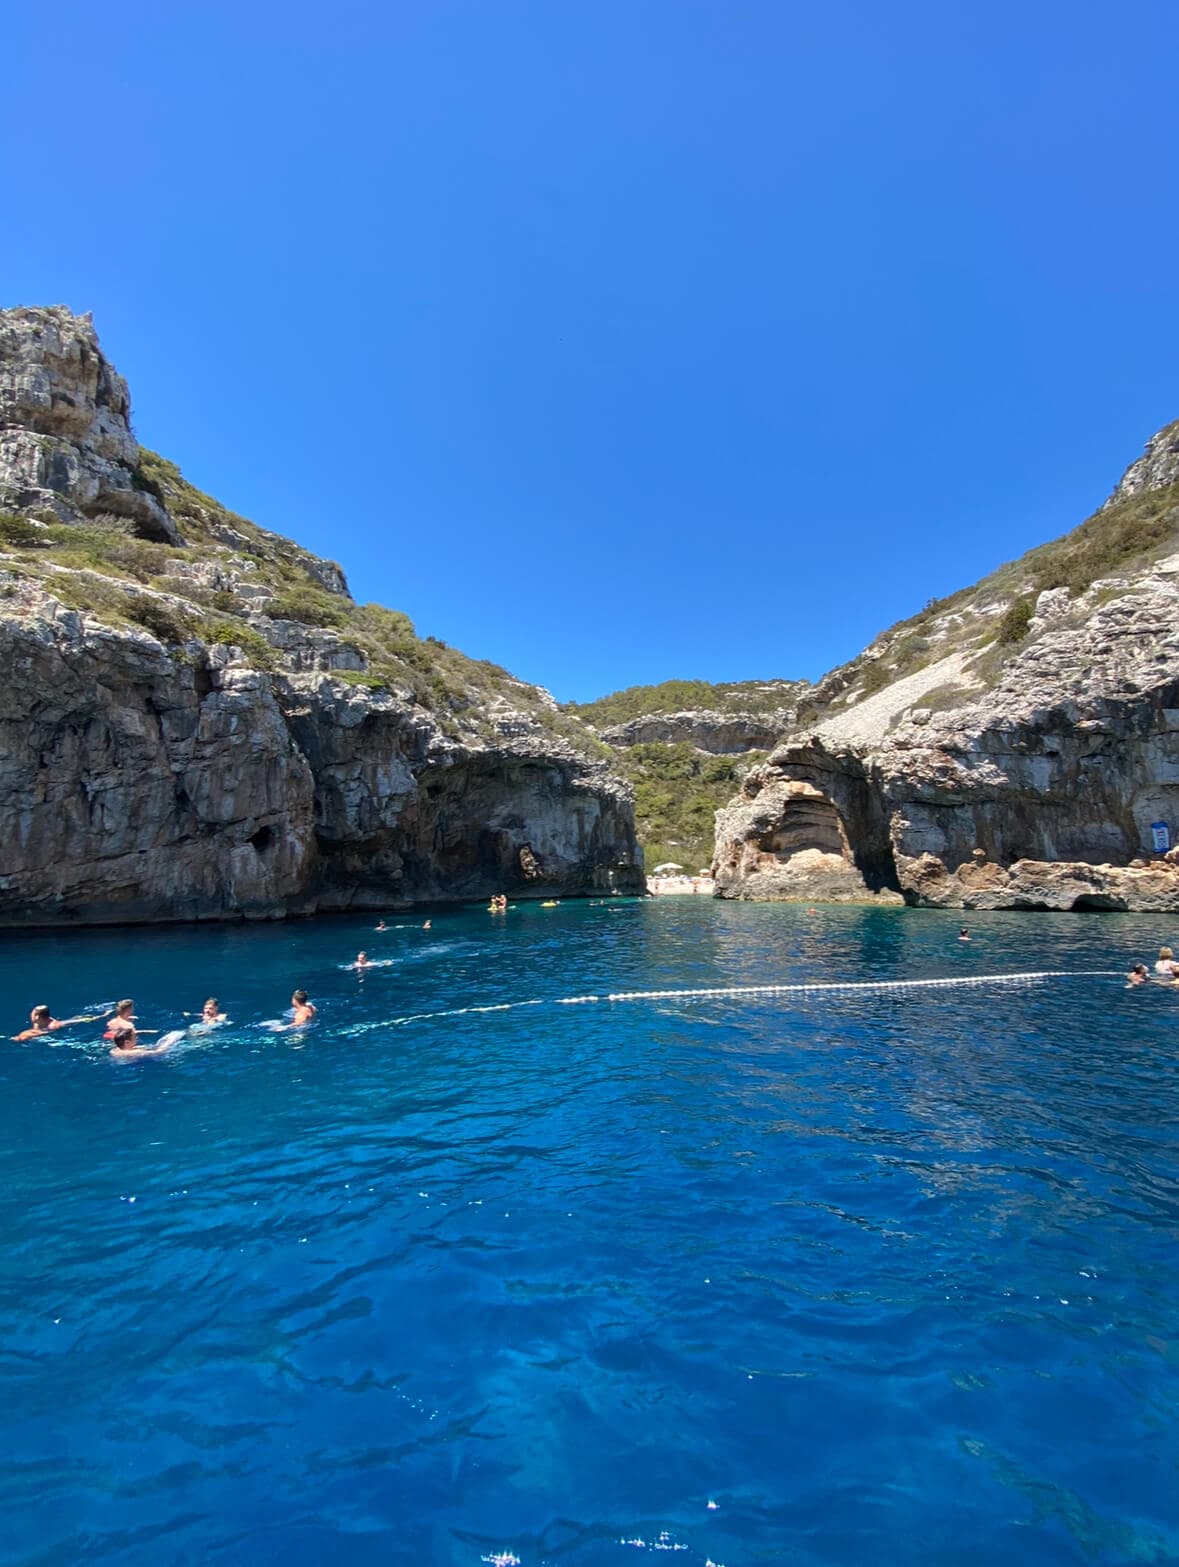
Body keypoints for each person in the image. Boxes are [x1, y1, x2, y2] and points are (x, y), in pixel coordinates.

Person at [105, 999, 169, 1058]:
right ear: (129, 1010)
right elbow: (159, 1052)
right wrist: (148, 1031)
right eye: (132, 1008)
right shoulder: (128, 1025)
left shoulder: (112, 1022)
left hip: (115, 1041)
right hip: (124, 1042)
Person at [12, 1004, 89, 1041]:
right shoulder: (44, 1020)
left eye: (32, 1014)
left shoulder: (53, 1026)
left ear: (37, 1017)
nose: (30, 1015)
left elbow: (69, 1022)